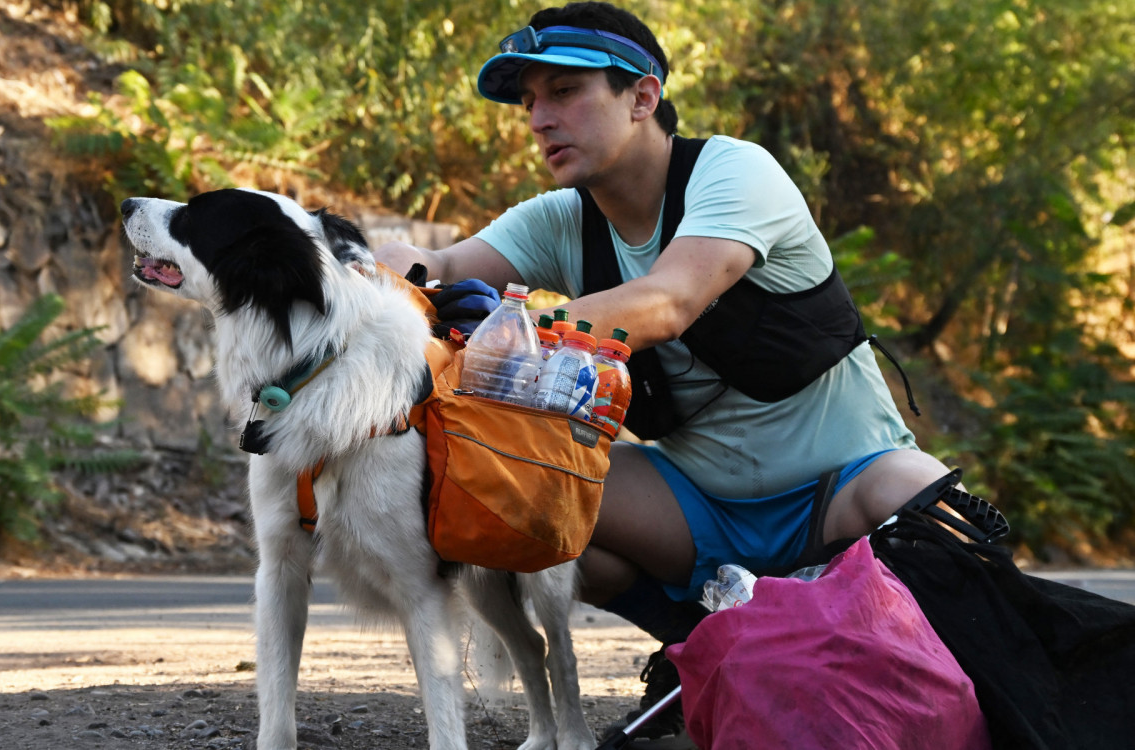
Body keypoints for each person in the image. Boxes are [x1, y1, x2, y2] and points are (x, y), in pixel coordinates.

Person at [376, 2, 964, 744]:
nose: (539, 119)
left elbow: (669, 301)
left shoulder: (734, 172)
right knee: (525, 491)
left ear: (643, 96)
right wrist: (386, 268)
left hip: (840, 494)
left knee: (923, 499)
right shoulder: (560, 220)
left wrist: (510, 338)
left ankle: (957, 670)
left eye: (565, 91)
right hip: (699, 514)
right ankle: (700, 649)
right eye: (528, 102)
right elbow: (440, 266)